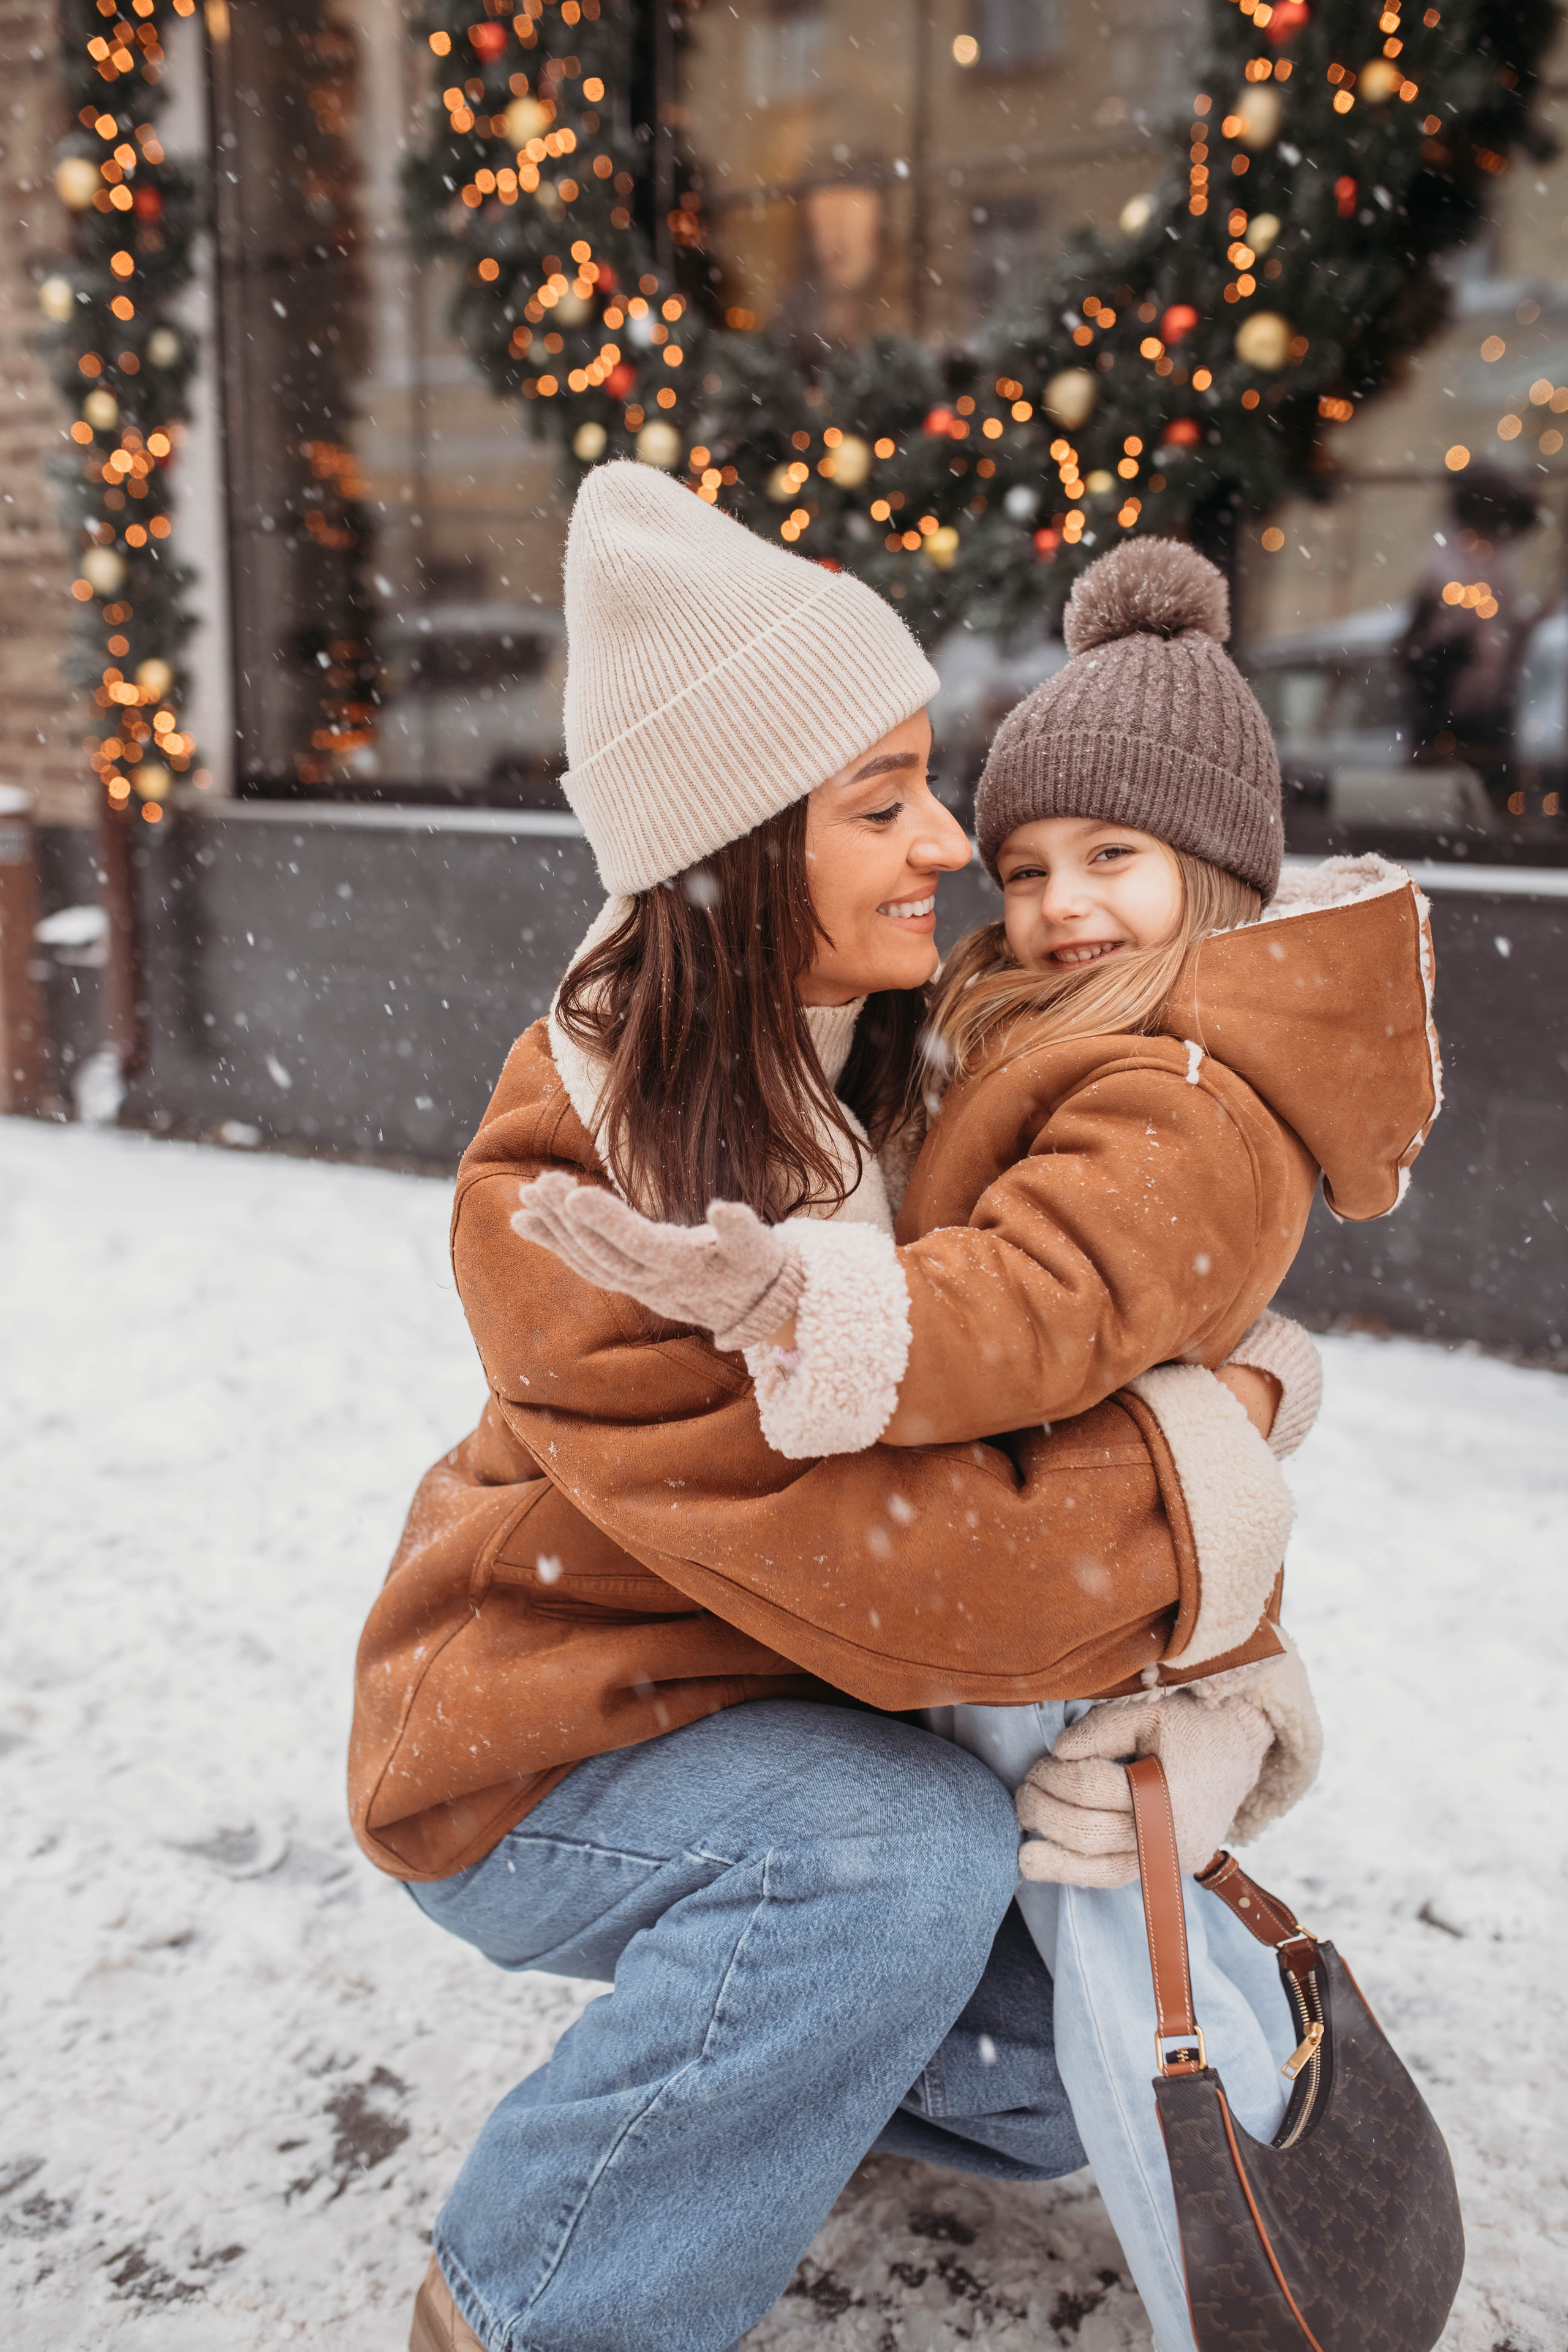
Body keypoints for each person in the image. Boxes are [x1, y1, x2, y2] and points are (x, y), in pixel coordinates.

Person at [351, 469, 1317, 2352]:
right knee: (902, 1867)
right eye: (881, 804)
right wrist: (1234, 1436)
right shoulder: (583, 1186)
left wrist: (1232, 1700)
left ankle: (761, 2068)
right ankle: (531, 2299)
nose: (952, 841)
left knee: (1061, 2066)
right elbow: (931, 1569)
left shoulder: (903, 1071)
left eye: (928, 784)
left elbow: (1090, 1367)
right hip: (537, 1743)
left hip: (797, 1719)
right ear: (733, 855)